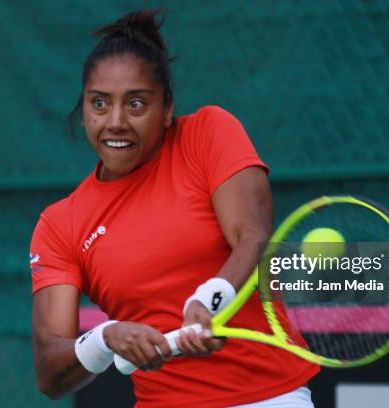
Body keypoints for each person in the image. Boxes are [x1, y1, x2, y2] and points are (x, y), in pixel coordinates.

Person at [30, 10, 319, 407]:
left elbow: (252, 236)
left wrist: (209, 300)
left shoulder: (208, 133)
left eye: (136, 104)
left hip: (270, 398)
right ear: (83, 112)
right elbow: (50, 372)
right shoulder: (60, 225)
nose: (115, 122)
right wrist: (106, 338)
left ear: (167, 110)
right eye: (99, 104)